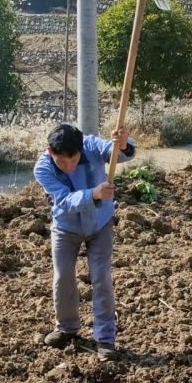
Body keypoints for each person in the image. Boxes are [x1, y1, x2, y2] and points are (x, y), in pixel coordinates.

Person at [33, 123, 136, 362]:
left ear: (80, 150)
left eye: (73, 160)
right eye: (61, 162)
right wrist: (94, 194)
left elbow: (115, 154)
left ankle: (105, 338)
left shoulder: (90, 145)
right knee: (63, 277)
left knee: (101, 277)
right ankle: (67, 329)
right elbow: (64, 201)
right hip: (66, 228)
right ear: (50, 152)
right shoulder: (43, 168)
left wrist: (122, 144)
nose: (67, 167)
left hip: (100, 224)